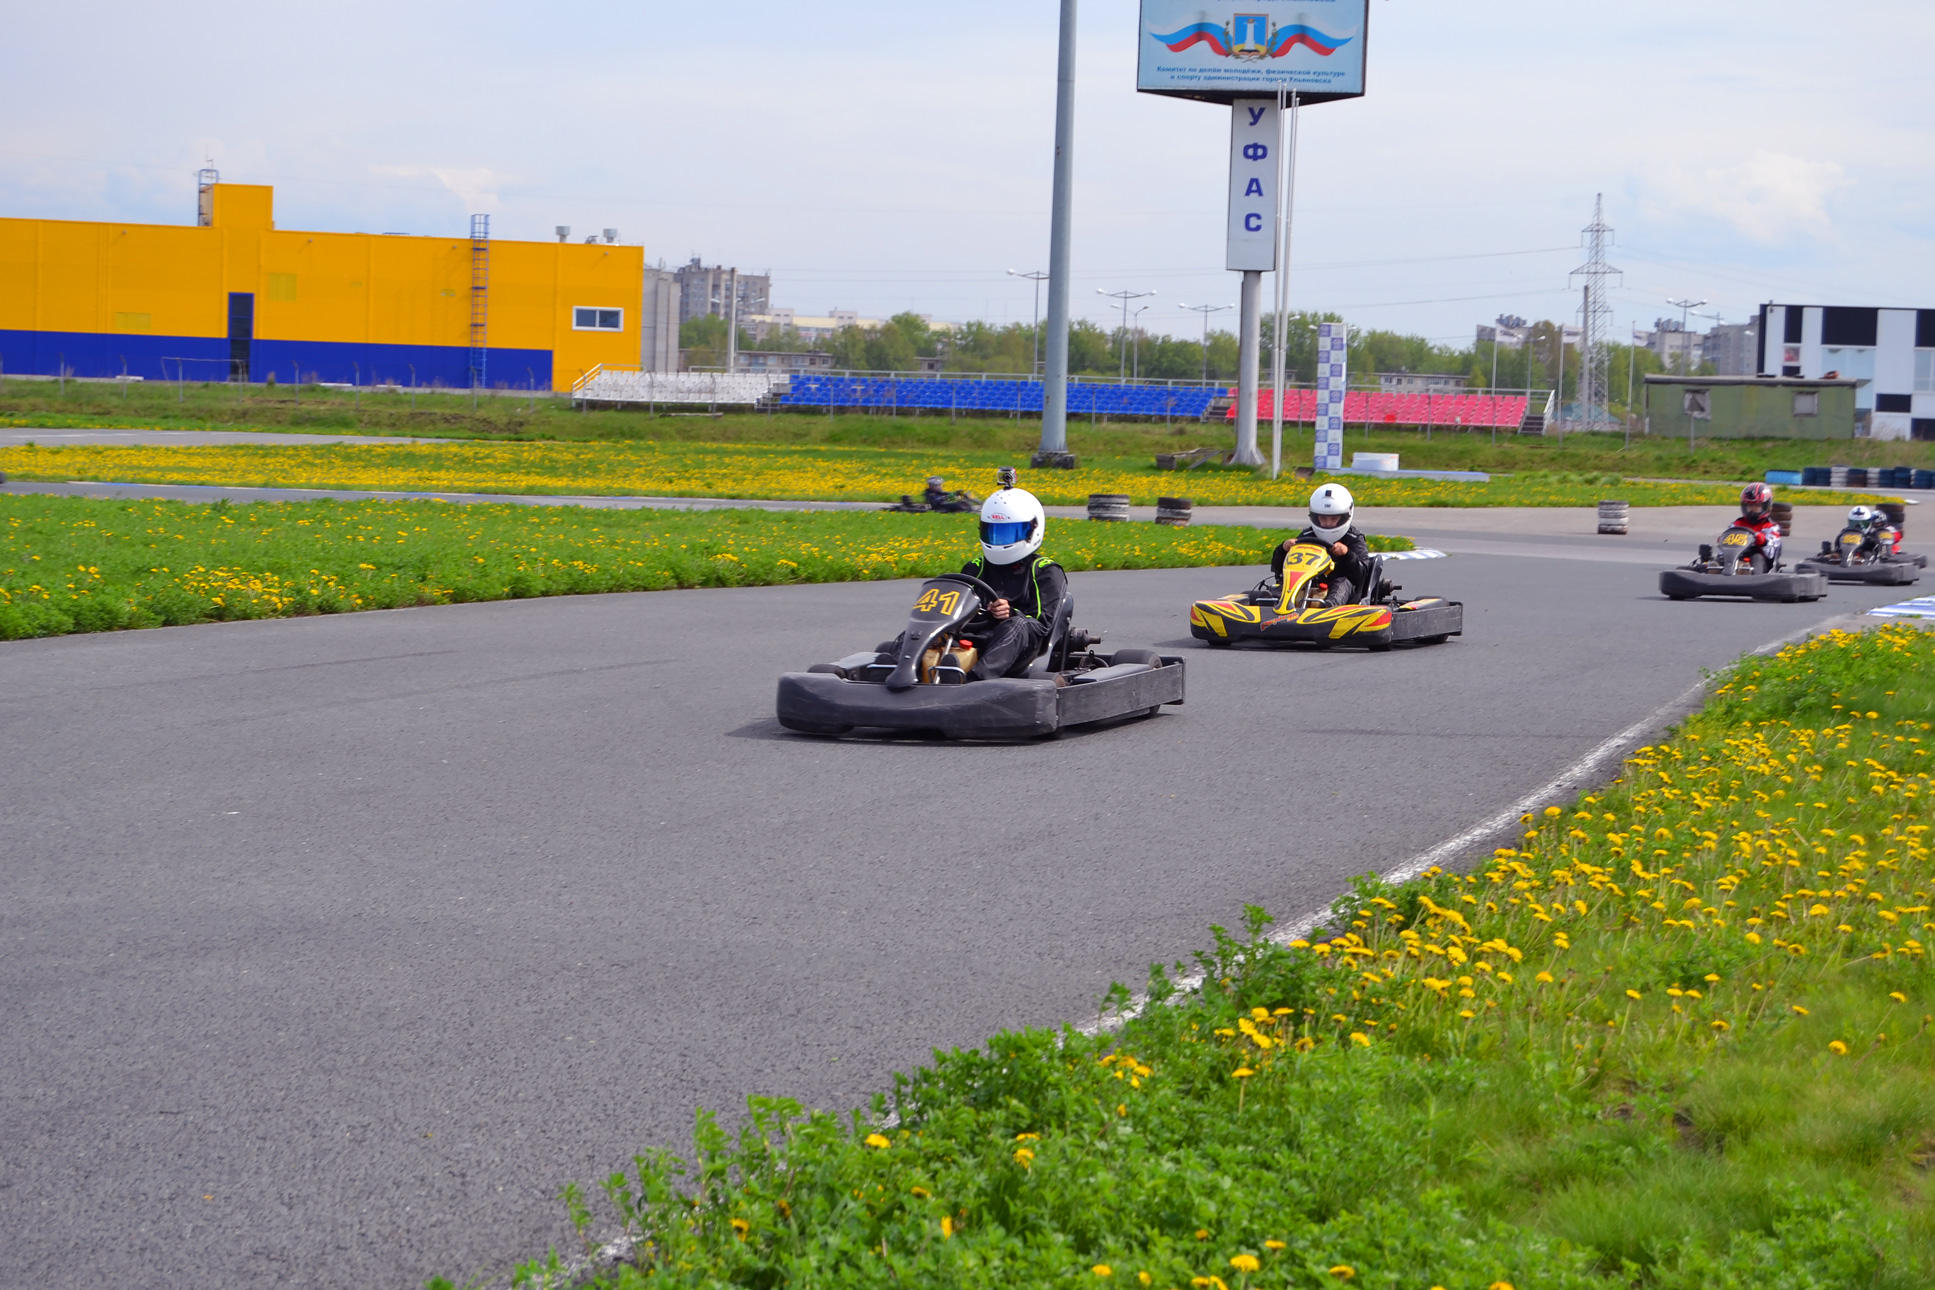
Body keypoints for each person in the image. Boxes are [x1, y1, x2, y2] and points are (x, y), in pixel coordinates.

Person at [879, 476, 1067, 680]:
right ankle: (895, 670)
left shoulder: (1046, 571)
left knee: (1018, 624)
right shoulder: (975, 567)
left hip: (1015, 646)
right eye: (993, 533)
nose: (999, 540)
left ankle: (975, 680)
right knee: (927, 625)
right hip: (972, 636)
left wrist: (1010, 613)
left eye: (1007, 533)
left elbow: (1041, 625)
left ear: (1032, 530)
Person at [1272, 482, 1374, 607]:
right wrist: (1283, 549)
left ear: (1345, 516)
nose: (1328, 523)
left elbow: (1361, 575)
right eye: (1323, 518)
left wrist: (1347, 554)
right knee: (1287, 582)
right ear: (1315, 516)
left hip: (1344, 593)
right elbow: (1279, 570)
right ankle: (1275, 601)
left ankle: (1329, 607)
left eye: (1333, 519)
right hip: (1309, 584)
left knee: (1342, 583)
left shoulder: (1353, 538)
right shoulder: (1307, 536)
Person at [1733, 482, 1784, 567]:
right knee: (1722, 559)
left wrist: (1764, 542)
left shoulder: (1771, 527)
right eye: (1749, 506)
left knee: (1757, 557)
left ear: (1766, 506)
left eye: (1757, 506)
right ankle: (1715, 569)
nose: (1752, 509)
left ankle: (1748, 571)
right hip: (1737, 556)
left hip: (1761, 561)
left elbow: (1771, 554)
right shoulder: (1737, 524)